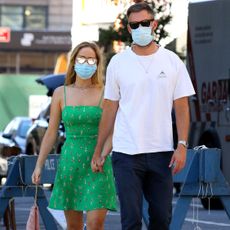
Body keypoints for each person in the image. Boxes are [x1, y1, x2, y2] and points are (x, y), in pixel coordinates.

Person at [92, 2, 195, 230]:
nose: (140, 28)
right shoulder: (118, 62)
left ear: (154, 24)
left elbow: (182, 106)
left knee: (161, 218)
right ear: (128, 28)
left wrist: (182, 145)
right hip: (126, 153)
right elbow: (110, 108)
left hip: (162, 152)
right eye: (134, 25)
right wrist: (99, 149)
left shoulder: (172, 61)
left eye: (144, 23)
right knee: (131, 220)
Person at [32, 41, 117, 230]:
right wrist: (39, 165)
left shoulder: (106, 93)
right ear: (74, 61)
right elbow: (51, 132)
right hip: (71, 163)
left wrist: (103, 154)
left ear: (97, 64)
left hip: (98, 163)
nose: (86, 64)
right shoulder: (60, 93)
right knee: (73, 226)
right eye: (82, 59)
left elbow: (113, 130)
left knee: (96, 223)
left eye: (91, 60)